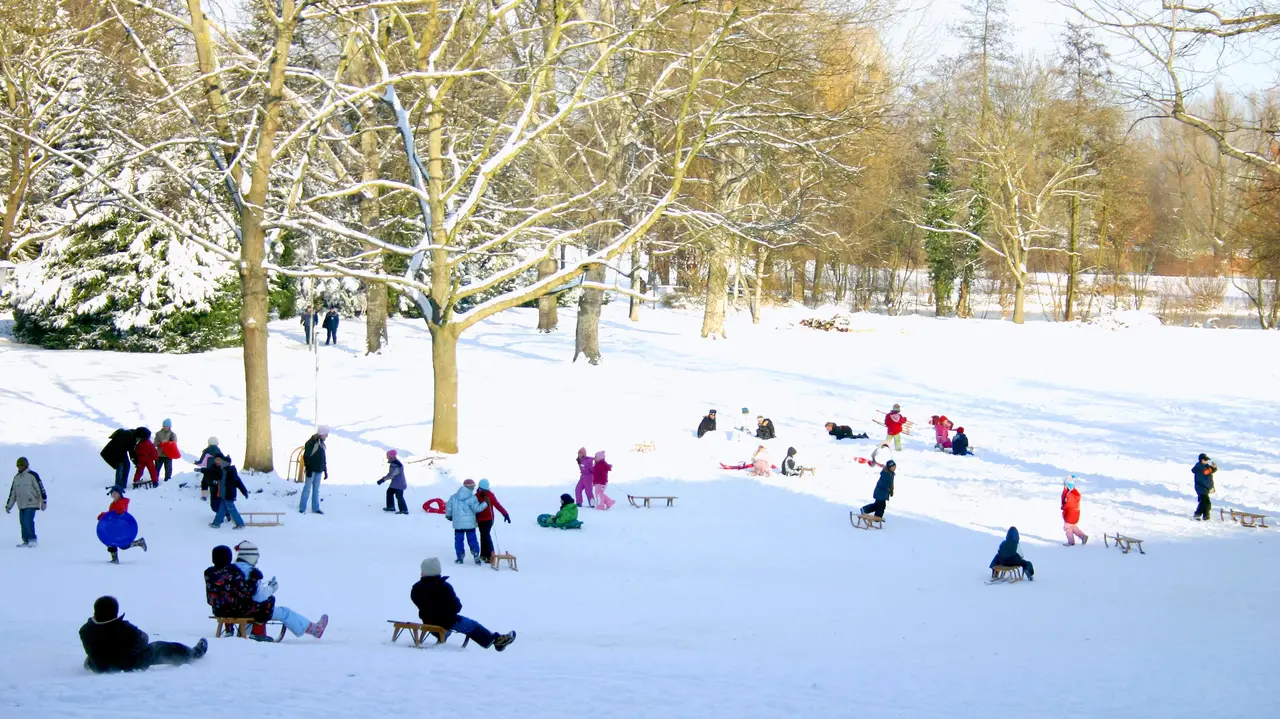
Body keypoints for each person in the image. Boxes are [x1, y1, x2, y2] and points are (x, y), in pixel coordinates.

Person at [411, 557, 516, 651]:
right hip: (448, 621)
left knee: (460, 623)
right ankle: (495, 641)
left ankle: (495, 640)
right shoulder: (444, 587)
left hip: (428, 620)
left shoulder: (416, 588)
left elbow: (417, 602)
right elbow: (457, 606)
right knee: (472, 625)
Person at [80, 596, 208, 673]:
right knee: (158, 647)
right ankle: (192, 653)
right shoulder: (125, 628)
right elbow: (143, 640)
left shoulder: (85, 630)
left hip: (99, 666)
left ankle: (94, 663)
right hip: (129, 664)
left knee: (96, 654)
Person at [229, 541, 328, 640]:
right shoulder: (251, 573)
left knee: (251, 606)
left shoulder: (229, 570)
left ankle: (245, 631)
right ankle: (314, 629)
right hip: (247, 611)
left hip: (228, 609)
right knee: (284, 612)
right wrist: (272, 588)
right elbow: (260, 597)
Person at [204, 545, 251, 636]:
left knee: (225, 599)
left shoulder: (209, 572)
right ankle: (257, 633)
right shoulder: (233, 571)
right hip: (237, 611)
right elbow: (244, 590)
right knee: (260, 602)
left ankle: (229, 630)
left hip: (217, 609)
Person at [446, 479, 489, 565]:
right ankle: (475, 553)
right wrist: (485, 504)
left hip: (458, 524)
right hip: (470, 525)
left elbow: (448, 507)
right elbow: (476, 509)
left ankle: (460, 557)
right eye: (473, 487)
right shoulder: (472, 498)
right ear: (471, 487)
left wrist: (449, 515)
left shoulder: (453, 497)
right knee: (472, 539)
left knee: (458, 540)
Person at [99, 487, 147, 563]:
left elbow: (120, 512)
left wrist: (110, 513)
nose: (114, 494)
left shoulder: (122, 502)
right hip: (114, 526)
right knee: (111, 542)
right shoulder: (113, 503)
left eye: (115, 493)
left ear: (119, 494)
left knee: (123, 544)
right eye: (113, 493)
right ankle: (115, 559)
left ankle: (139, 542)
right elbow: (112, 514)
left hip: (121, 526)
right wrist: (104, 516)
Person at [6, 457, 47, 548]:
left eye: (22, 465)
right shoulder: (17, 478)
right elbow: (13, 493)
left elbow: (40, 489)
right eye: (19, 466)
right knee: (22, 522)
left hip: (31, 503)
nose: (20, 467)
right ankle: (26, 540)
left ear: (26, 465)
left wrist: (43, 501)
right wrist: (9, 506)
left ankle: (32, 539)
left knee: (27, 521)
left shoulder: (32, 475)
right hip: (21, 504)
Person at [474, 479, 510, 562]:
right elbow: (474, 508)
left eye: (486, 490)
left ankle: (490, 555)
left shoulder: (490, 495)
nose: (484, 491)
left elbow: (497, 505)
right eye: (483, 489)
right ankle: (483, 555)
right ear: (479, 488)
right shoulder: (476, 496)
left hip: (489, 519)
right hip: (480, 520)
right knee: (483, 536)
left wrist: (505, 514)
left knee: (486, 535)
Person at [209, 455, 248, 530]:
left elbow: (238, 482)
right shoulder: (223, 471)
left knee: (232, 510)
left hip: (229, 495)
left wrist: (244, 491)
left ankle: (240, 524)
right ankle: (216, 523)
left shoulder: (231, 471)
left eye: (222, 462)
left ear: (226, 463)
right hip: (224, 495)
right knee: (222, 509)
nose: (220, 463)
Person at [300, 427, 328, 514]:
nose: (327, 436)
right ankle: (302, 507)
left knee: (316, 490)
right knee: (307, 489)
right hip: (311, 470)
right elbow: (307, 457)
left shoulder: (322, 444)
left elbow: (323, 458)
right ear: (321, 434)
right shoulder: (311, 443)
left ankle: (315, 508)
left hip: (319, 470)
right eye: (325, 434)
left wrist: (325, 470)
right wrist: (308, 468)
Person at [196, 437, 226, 504]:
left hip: (209, 470)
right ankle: (219, 495)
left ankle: (204, 496)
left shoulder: (207, 450)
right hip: (217, 470)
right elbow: (224, 460)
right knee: (216, 482)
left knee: (204, 482)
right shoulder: (219, 450)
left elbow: (202, 461)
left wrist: (197, 463)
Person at [378, 449, 408, 514]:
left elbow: (391, 475)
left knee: (399, 496)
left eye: (387, 456)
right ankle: (391, 507)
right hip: (395, 484)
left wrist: (382, 480)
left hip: (399, 484)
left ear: (391, 456)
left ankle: (404, 510)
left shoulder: (396, 464)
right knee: (389, 492)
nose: (386, 457)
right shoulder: (394, 463)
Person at [1062, 477, 1088, 546]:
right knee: (1073, 527)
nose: (1064, 486)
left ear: (1068, 485)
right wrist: (1065, 490)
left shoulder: (1070, 495)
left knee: (1067, 528)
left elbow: (1068, 504)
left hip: (1070, 515)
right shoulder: (1075, 493)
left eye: (1065, 485)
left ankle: (1071, 542)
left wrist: (1063, 507)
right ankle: (1083, 537)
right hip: (1075, 515)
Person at [1193, 452, 1217, 521]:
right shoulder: (1198, 467)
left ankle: (1204, 516)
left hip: (1205, 488)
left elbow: (1211, 471)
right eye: (1206, 460)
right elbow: (1204, 476)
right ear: (1202, 460)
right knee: (1206, 502)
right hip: (1201, 487)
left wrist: (1214, 467)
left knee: (1204, 502)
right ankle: (1201, 515)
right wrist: (1209, 487)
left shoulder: (1206, 466)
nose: (1207, 461)